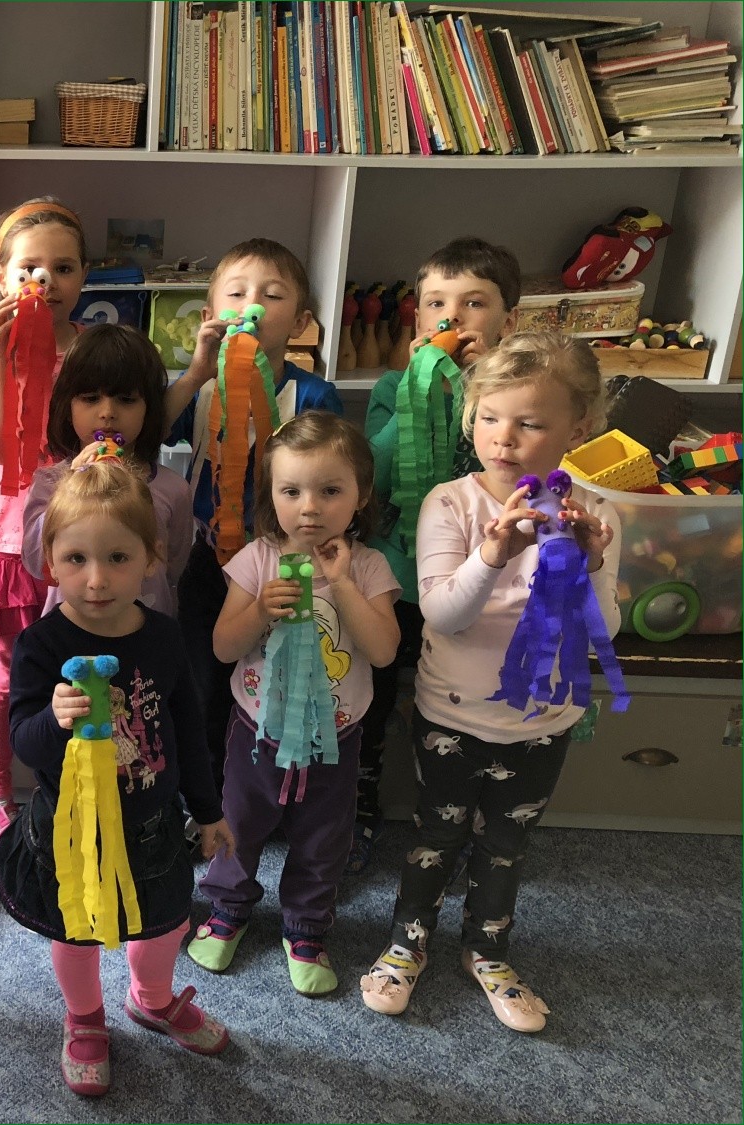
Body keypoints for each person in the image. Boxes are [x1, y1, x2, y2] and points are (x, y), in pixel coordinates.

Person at [359, 332, 620, 1033]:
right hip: (452, 714)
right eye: (489, 417)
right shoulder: (450, 503)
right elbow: (443, 612)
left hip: (543, 722)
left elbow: (602, 631)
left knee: (506, 847)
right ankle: (407, 942)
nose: (503, 438)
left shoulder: (596, 513)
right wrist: (494, 552)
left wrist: (593, 566)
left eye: (529, 422)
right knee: (435, 837)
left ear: (578, 428)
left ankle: (489, 951)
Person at [0, 458, 235, 1098]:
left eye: (118, 558)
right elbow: (23, 743)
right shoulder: (42, 645)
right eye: (76, 559)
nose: (96, 579)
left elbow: (188, 731)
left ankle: (150, 999)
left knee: (167, 922)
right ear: (49, 559)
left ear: (152, 558)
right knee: (75, 929)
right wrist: (55, 718)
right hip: (71, 828)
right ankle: (84, 1017)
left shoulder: (164, 637)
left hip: (153, 824)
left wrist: (209, 810)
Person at [189, 411, 401, 994]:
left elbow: (384, 652)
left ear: (361, 496)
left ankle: (306, 927)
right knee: (239, 824)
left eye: (330, 491)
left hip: (337, 738)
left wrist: (345, 585)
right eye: (292, 492)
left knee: (323, 839)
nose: (310, 508)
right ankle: (227, 909)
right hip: (255, 734)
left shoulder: (369, 566)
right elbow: (223, 647)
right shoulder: (257, 560)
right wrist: (259, 609)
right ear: (272, 496)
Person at [352, 237, 522, 875]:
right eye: (436, 303)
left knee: (462, 697)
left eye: (474, 303)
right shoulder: (392, 385)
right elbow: (371, 472)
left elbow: (508, 464)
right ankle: (362, 800)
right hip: (398, 570)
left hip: (477, 574)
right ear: (417, 319)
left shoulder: (510, 400)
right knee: (375, 691)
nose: (453, 316)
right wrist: (415, 388)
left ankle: (460, 813)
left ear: (507, 322)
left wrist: (482, 386)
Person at [165, 238, 344, 791]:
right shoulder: (200, 389)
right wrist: (196, 371)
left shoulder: (313, 394)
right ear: (210, 315)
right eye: (237, 294)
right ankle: (203, 793)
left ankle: (262, 786)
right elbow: (154, 431)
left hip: (278, 559)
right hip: (204, 556)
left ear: (302, 323)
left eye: (272, 296)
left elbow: (334, 474)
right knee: (201, 677)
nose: (252, 307)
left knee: (268, 677)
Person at [0, 196, 88, 839]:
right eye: (30, 268)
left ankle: (63, 782)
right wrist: (7, 356)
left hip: (75, 536)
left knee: (72, 666)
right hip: (4, 540)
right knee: (3, 669)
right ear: (0, 276)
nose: (47, 281)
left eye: (63, 268)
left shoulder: (92, 351)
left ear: (84, 276)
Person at [22, 323, 192, 617]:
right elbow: (36, 562)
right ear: (67, 406)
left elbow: (173, 568)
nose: (108, 413)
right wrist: (70, 487)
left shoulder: (173, 489)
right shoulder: (51, 483)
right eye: (90, 399)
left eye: (126, 400)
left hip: (148, 630)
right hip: (71, 633)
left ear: (149, 408)